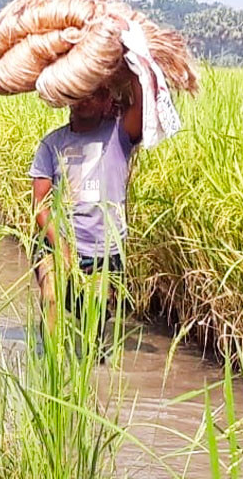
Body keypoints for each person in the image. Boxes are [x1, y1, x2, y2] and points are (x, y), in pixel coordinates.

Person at [29, 61, 144, 338]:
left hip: (103, 250)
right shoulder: (51, 144)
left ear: (107, 99)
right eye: (79, 92)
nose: (85, 100)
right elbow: (40, 205)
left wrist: (134, 66)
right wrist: (62, 248)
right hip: (57, 244)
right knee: (52, 298)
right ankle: (48, 370)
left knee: (93, 328)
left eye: (94, 93)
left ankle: (90, 371)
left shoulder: (119, 135)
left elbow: (142, 109)